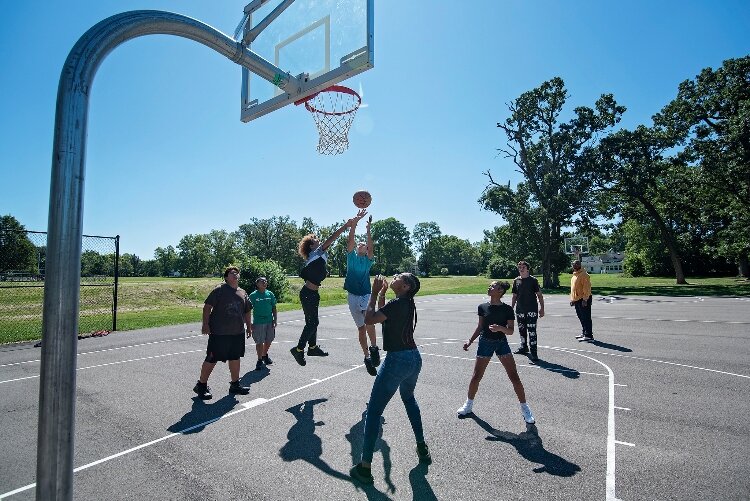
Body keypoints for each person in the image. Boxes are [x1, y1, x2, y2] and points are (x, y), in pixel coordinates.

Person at [350, 273, 431, 485]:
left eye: (398, 277)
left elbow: (370, 319)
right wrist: (383, 294)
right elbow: (385, 314)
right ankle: (422, 447)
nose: (393, 276)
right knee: (409, 399)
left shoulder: (398, 303)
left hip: (397, 360)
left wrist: (374, 292)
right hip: (414, 358)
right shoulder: (406, 303)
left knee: (374, 412)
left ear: (405, 286)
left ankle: (365, 467)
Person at [290, 210, 366, 366]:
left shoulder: (317, 256)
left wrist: (354, 224)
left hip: (312, 293)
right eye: (316, 239)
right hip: (308, 294)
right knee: (312, 323)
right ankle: (298, 349)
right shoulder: (316, 253)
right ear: (311, 245)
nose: (319, 241)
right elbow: (332, 238)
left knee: (313, 322)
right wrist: (347, 225)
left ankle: (312, 347)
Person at [456, 281, 535, 424]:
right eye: (490, 286)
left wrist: (500, 328)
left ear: (500, 292)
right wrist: (470, 341)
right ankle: (468, 405)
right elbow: (480, 326)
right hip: (485, 342)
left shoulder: (507, 309)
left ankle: (525, 408)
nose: (489, 288)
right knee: (476, 377)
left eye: (493, 287)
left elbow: (510, 331)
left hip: (501, 343)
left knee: (514, 376)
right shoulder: (482, 307)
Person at [193, 266, 252, 400]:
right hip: (219, 332)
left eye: (237, 273)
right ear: (226, 277)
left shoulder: (243, 292)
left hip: (237, 332)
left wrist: (249, 326)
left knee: (235, 357)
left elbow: (247, 310)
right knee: (212, 358)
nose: (235, 274)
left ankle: (235, 384)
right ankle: (201, 386)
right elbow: (207, 307)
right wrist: (205, 324)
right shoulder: (219, 290)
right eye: (232, 273)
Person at [344, 212, 381, 376]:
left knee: (369, 321)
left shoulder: (368, 260)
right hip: (352, 295)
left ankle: (374, 348)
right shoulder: (351, 258)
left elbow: (371, 246)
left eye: (363, 244)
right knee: (360, 329)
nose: (360, 244)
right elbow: (350, 241)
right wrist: (354, 224)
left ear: (366, 250)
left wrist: (368, 230)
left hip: (365, 294)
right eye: (359, 244)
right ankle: (367, 357)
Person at [511, 261, 545, 362]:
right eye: (519, 267)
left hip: (531, 310)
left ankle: (534, 352)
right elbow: (514, 296)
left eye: (523, 267)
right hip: (520, 310)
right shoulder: (516, 281)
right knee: (522, 330)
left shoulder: (533, 280)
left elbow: (539, 295)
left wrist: (542, 308)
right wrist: (511, 308)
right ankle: (523, 347)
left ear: (527, 269)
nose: (521, 268)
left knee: (532, 331)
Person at [249, 276, 278, 371]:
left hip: (269, 321)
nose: (265, 282)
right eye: (262, 281)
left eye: (265, 281)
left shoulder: (270, 294)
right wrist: (250, 323)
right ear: (257, 284)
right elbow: (247, 310)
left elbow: (274, 307)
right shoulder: (253, 295)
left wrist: (275, 319)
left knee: (269, 340)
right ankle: (259, 360)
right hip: (258, 322)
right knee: (259, 341)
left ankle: (264, 354)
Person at [570, 260, 594, 341]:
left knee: (586, 317)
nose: (575, 265)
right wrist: (573, 299)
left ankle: (589, 335)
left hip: (583, 299)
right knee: (581, 317)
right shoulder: (575, 275)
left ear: (580, 265)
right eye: (573, 264)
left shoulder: (584, 275)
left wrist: (585, 299)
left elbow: (586, 288)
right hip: (577, 299)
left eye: (577, 264)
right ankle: (584, 332)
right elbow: (574, 289)